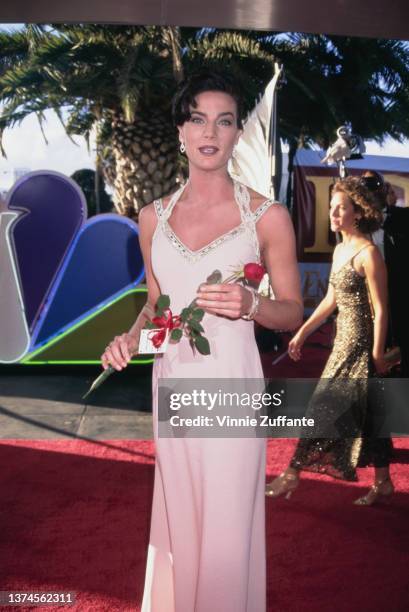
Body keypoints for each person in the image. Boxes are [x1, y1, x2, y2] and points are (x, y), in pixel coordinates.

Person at [101, 71, 303, 612]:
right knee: (181, 515)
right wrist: (127, 339)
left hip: (232, 388)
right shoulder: (151, 218)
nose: (210, 131)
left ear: (238, 133)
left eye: (225, 120)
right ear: (180, 130)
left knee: (225, 526)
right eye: (197, 118)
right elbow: (155, 304)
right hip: (172, 386)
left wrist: (253, 305)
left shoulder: (269, 216)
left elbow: (292, 310)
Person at [265, 176, 395, 506]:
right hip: (342, 342)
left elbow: (381, 311)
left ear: (358, 211)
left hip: (362, 345)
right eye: (332, 208)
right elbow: (329, 300)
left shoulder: (369, 254)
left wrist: (378, 354)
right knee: (371, 414)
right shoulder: (339, 250)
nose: (333, 215)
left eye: (341, 208)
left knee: (322, 406)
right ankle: (383, 482)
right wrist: (302, 332)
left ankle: (291, 473)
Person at [361, 170, 409, 377]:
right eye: (365, 186)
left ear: (386, 189)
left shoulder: (403, 218)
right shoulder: (353, 223)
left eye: (374, 185)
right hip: (367, 299)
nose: (370, 191)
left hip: (402, 296)